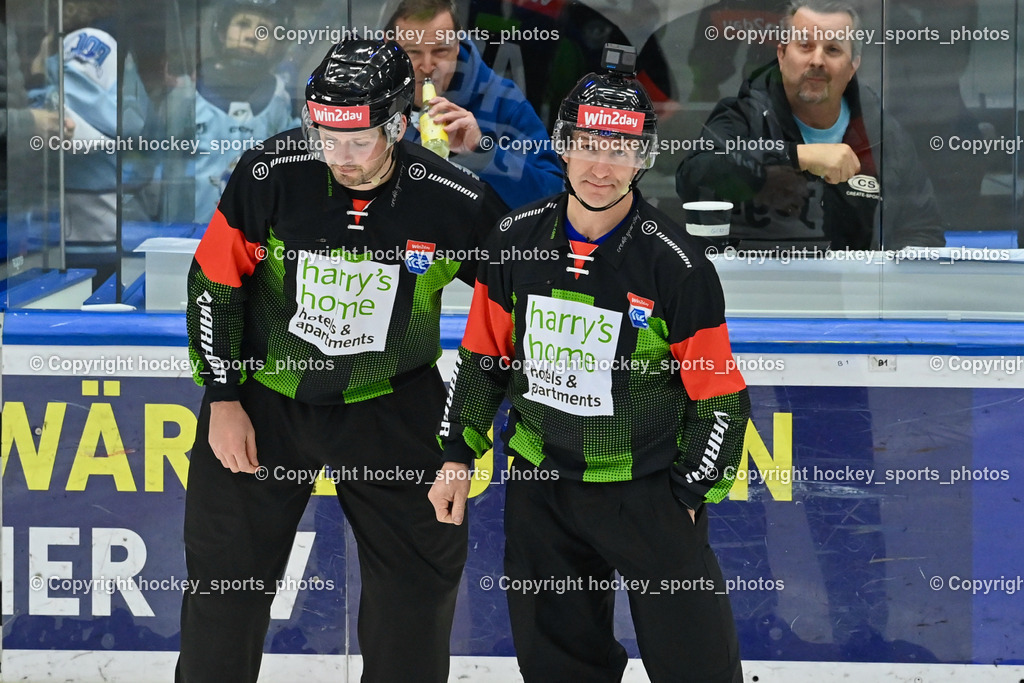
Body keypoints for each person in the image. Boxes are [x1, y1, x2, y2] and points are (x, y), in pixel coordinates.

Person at [177, 38, 507, 682]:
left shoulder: (452, 197)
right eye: (326, 138)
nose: (340, 157)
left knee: (416, 590)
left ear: (399, 126)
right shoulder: (270, 173)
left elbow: (512, 307)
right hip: (266, 400)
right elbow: (215, 283)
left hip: (396, 403)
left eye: (358, 141)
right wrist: (222, 397)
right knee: (225, 584)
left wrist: (462, 441)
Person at [429, 45, 749, 682]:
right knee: (558, 669)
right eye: (589, 145)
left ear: (643, 158)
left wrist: (690, 493)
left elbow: (720, 397)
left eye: (621, 149)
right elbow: (483, 359)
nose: (602, 167)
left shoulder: (676, 265)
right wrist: (457, 455)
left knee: (698, 666)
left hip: (647, 488)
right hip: (542, 489)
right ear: (563, 146)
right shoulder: (514, 241)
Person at [676, 0, 944, 251]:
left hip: (853, 285)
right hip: (757, 283)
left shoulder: (882, 133)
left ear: (853, 66)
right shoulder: (744, 116)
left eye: (833, 49)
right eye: (805, 45)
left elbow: (923, 231)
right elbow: (695, 176)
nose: (817, 60)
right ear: (782, 54)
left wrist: (880, 277)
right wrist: (796, 156)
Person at [385, 0, 564, 208]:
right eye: (413, 52)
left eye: (440, 51)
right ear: (389, 45)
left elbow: (553, 197)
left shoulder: (503, 101)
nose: (427, 67)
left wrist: (483, 153)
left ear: (457, 44)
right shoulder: (366, 98)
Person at [164, 0, 299, 223]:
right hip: (191, 231)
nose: (252, 36)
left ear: (277, 44)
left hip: (256, 232)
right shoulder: (187, 92)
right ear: (221, 32)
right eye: (243, 24)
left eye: (264, 30)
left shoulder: (281, 97)